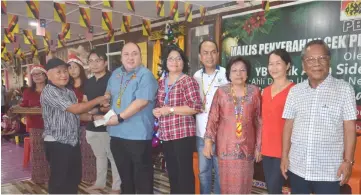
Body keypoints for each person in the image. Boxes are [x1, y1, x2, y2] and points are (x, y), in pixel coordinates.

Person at [281, 40, 357, 194]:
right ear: (303, 65)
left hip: (329, 172)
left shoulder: (344, 90)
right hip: (297, 167)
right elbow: (288, 126)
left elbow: (350, 129)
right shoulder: (295, 91)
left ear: (329, 61)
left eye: (322, 58)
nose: (316, 63)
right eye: (310, 59)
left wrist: (348, 161)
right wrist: (284, 156)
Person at [40, 57, 109, 194]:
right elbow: (76, 109)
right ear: (48, 74)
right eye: (59, 72)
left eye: (65, 71)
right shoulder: (49, 91)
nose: (64, 75)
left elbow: (76, 114)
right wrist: (98, 99)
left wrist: (93, 117)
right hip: (57, 142)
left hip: (72, 142)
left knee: (73, 179)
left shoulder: (68, 91)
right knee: (60, 181)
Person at [104, 42, 158, 194]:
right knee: (125, 179)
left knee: (142, 180)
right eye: (126, 54)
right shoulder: (115, 74)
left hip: (138, 136)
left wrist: (120, 117)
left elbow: (141, 102)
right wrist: (105, 99)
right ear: (121, 57)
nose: (130, 57)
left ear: (141, 56)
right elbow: (109, 94)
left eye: (135, 53)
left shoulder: (145, 75)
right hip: (116, 134)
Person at [203, 56, 262, 194]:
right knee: (226, 185)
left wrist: (259, 147)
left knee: (244, 185)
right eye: (234, 70)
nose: (238, 73)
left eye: (242, 70)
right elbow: (213, 118)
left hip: (247, 147)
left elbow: (259, 120)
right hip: (226, 147)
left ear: (247, 73)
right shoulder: (221, 92)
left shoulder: (255, 92)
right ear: (229, 74)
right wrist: (208, 142)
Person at [153, 45, 202, 194]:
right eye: (171, 58)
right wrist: (157, 111)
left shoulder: (187, 81)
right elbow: (159, 105)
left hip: (183, 134)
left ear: (183, 62)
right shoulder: (162, 83)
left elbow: (196, 107)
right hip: (167, 134)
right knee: (172, 172)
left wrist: (171, 110)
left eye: (178, 58)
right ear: (165, 62)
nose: (175, 61)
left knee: (185, 173)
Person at [83, 49, 121, 193]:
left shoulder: (113, 79)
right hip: (91, 125)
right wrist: (90, 111)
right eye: (91, 61)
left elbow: (115, 103)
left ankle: (117, 187)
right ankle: (100, 183)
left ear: (105, 62)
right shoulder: (89, 82)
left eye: (98, 60)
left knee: (113, 156)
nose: (94, 64)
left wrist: (97, 110)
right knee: (99, 156)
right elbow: (85, 101)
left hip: (108, 125)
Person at [193, 40, 227, 194]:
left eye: (213, 52)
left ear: (218, 54)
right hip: (201, 134)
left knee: (220, 174)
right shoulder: (196, 76)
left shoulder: (226, 74)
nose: (209, 56)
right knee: (203, 172)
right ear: (200, 56)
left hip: (221, 135)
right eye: (205, 53)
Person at [261, 49, 295, 194]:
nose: (273, 68)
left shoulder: (295, 91)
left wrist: (286, 153)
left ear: (287, 65)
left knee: (279, 189)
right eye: (271, 64)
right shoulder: (264, 91)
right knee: (272, 188)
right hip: (266, 149)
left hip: (285, 150)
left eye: (278, 63)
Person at [67, 54, 97, 185]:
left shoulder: (88, 84)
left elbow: (92, 104)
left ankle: (89, 176)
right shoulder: (67, 87)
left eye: (75, 67)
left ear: (80, 67)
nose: (72, 70)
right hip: (70, 124)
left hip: (86, 123)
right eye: (70, 68)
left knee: (87, 151)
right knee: (72, 152)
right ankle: (75, 175)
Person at [19, 65, 50, 183]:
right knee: (37, 151)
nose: (37, 77)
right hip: (35, 125)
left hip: (52, 125)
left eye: (39, 74)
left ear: (45, 75)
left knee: (52, 151)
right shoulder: (28, 91)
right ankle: (39, 177)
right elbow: (24, 105)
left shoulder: (52, 89)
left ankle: (53, 176)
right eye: (34, 75)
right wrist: (18, 108)